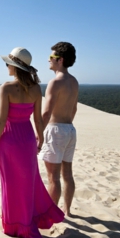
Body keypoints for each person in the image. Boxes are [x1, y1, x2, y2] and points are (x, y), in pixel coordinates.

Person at [0, 47, 65, 238]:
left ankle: (12, 223)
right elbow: (38, 120)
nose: (6, 67)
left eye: (8, 64)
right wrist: (41, 138)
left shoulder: (6, 88)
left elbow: (0, 121)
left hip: (9, 141)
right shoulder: (36, 89)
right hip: (28, 140)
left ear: (13, 66)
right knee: (27, 182)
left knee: (10, 183)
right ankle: (25, 219)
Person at [39, 42, 79, 216]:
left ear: (60, 60)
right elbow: (74, 109)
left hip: (55, 130)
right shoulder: (74, 81)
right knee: (67, 174)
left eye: (52, 57)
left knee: (53, 177)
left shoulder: (55, 82)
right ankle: (67, 210)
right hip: (70, 129)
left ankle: (50, 214)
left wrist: (39, 134)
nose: (48, 59)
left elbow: (46, 112)